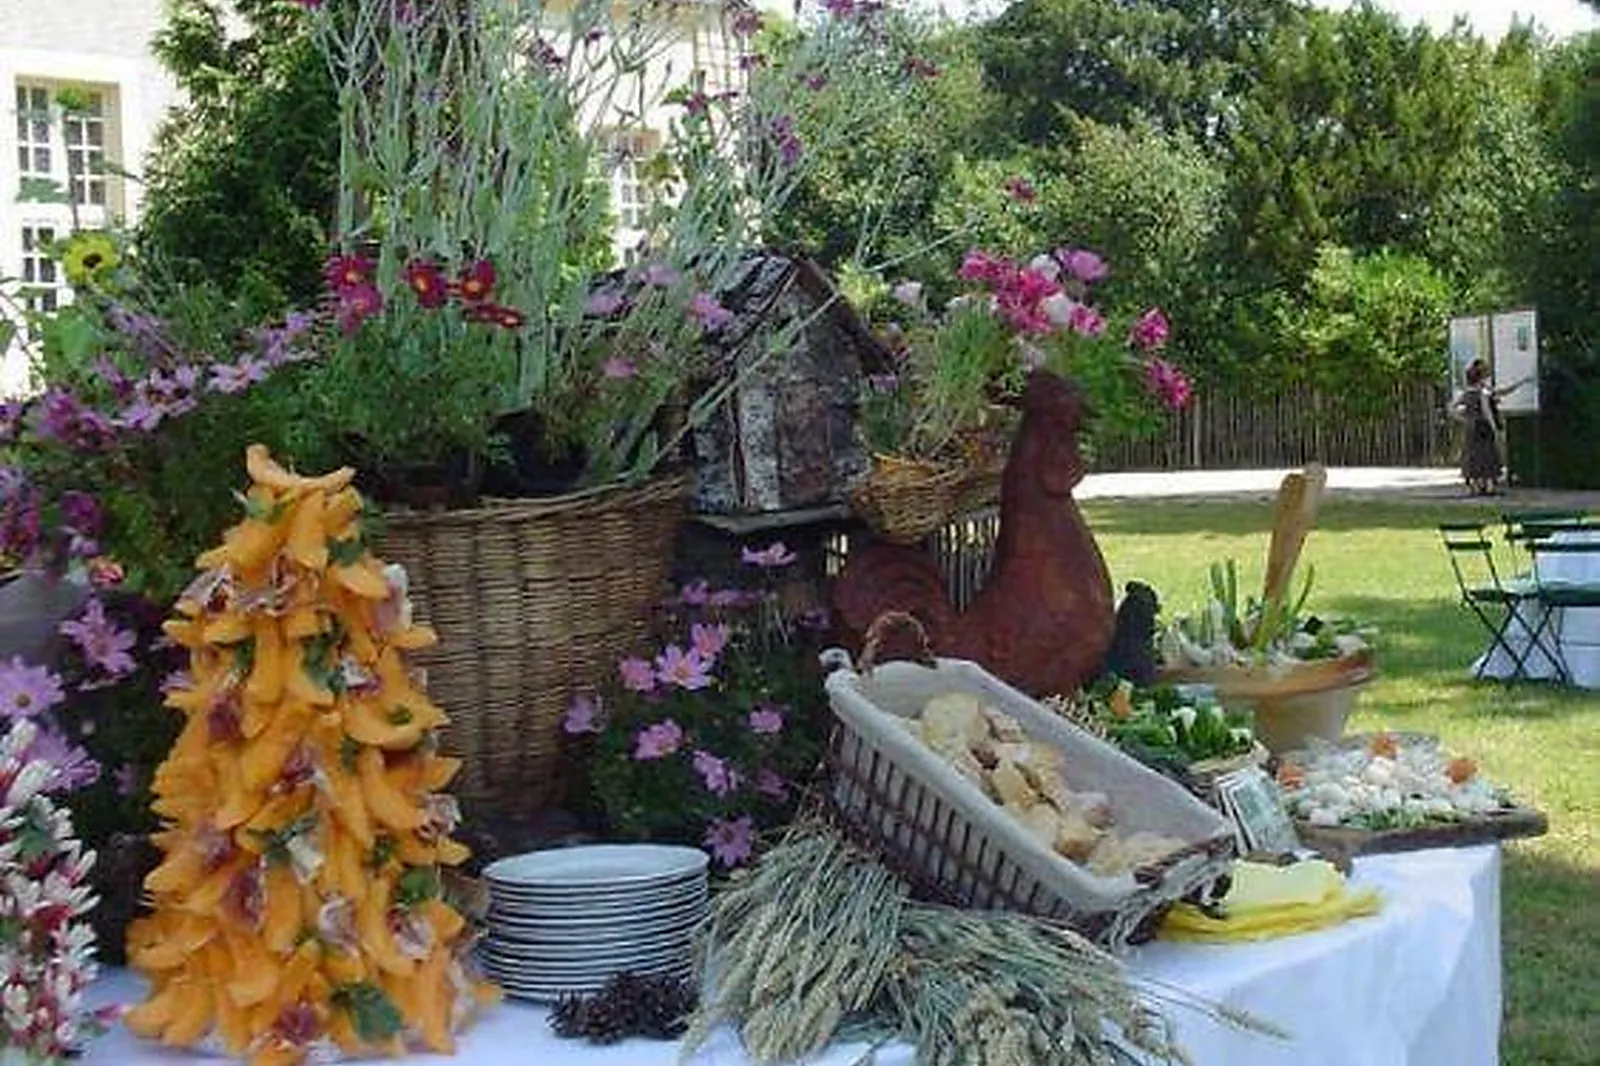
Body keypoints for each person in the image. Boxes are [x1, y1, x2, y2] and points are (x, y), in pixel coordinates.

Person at [1452, 359, 1526, 496]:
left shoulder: (1466, 393)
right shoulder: (1483, 393)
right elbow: (1487, 411)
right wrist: (1494, 428)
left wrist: (1463, 419)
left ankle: (1475, 486)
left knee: (1472, 455)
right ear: (1480, 377)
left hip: (1471, 427)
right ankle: (1489, 486)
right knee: (1488, 455)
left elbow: (1452, 407)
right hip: (1483, 427)